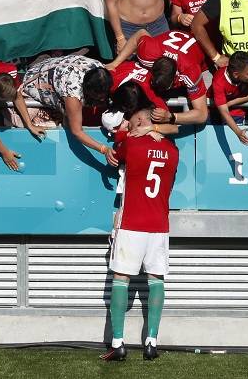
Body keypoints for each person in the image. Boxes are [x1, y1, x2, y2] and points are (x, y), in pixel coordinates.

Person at [101, 98, 178, 362]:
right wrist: (154, 132)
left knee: (121, 279)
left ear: (143, 122)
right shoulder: (172, 151)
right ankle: (152, 342)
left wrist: (128, 133)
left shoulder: (130, 143)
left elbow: (115, 150)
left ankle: (118, 342)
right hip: (159, 225)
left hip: (132, 222)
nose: (130, 126)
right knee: (156, 280)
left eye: (134, 122)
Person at [20, 54, 116, 163]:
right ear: (88, 89)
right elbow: (77, 132)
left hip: (51, 68)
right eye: (99, 96)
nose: (103, 99)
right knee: (67, 117)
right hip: (34, 81)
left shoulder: (99, 69)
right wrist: (104, 149)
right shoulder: (72, 94)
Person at [107, 29, 210, 126]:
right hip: (168, 47)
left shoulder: (190, 73)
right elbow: (140, 33)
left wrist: (171, 117)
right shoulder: (148, 53)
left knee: (206, 99)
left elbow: (202, 114)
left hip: (198, 61)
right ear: (152, 67)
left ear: (174, 79)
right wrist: (115, 63)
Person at [210, 50, 248, 144]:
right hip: (214, 113)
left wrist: (232, 102)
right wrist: (238, 132)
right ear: (236, 74)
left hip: (237, 113)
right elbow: (224, 110)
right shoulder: (219, 80)